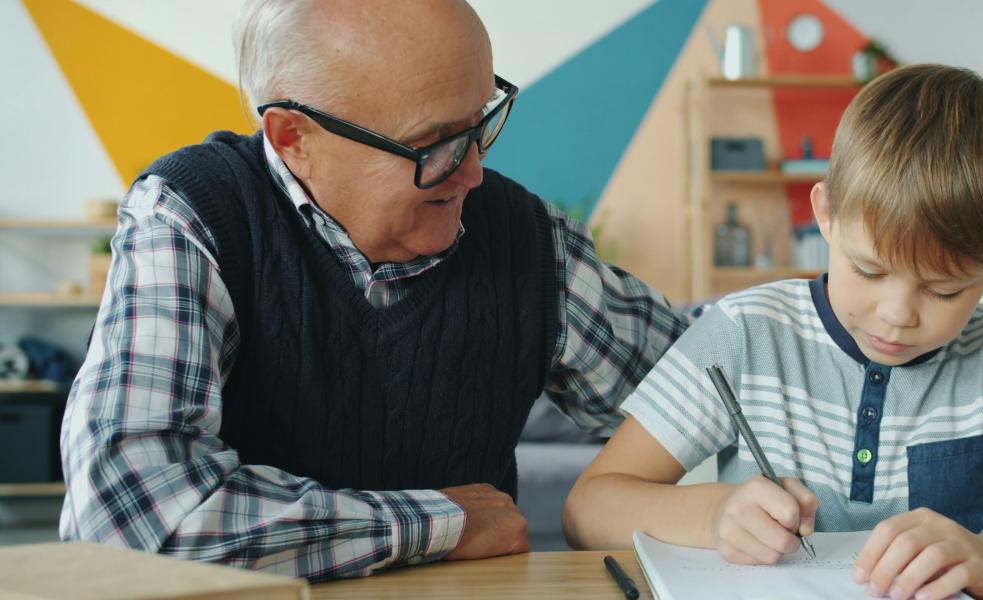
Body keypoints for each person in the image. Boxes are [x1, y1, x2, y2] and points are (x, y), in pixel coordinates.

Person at [58, 0, 689, 581]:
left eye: (480, 122)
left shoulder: (526, 238)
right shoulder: (192, 217)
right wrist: (439, 524)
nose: (472, 171)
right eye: (433, 144)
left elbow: (699, 390)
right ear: (293, 139)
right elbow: (131, 521)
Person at [562, 64, 983, 599]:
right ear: (825, 214)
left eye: (944, 290)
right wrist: (715, 514)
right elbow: (589, 507)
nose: (897, 314)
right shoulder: (744, 334)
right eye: (869, 270)